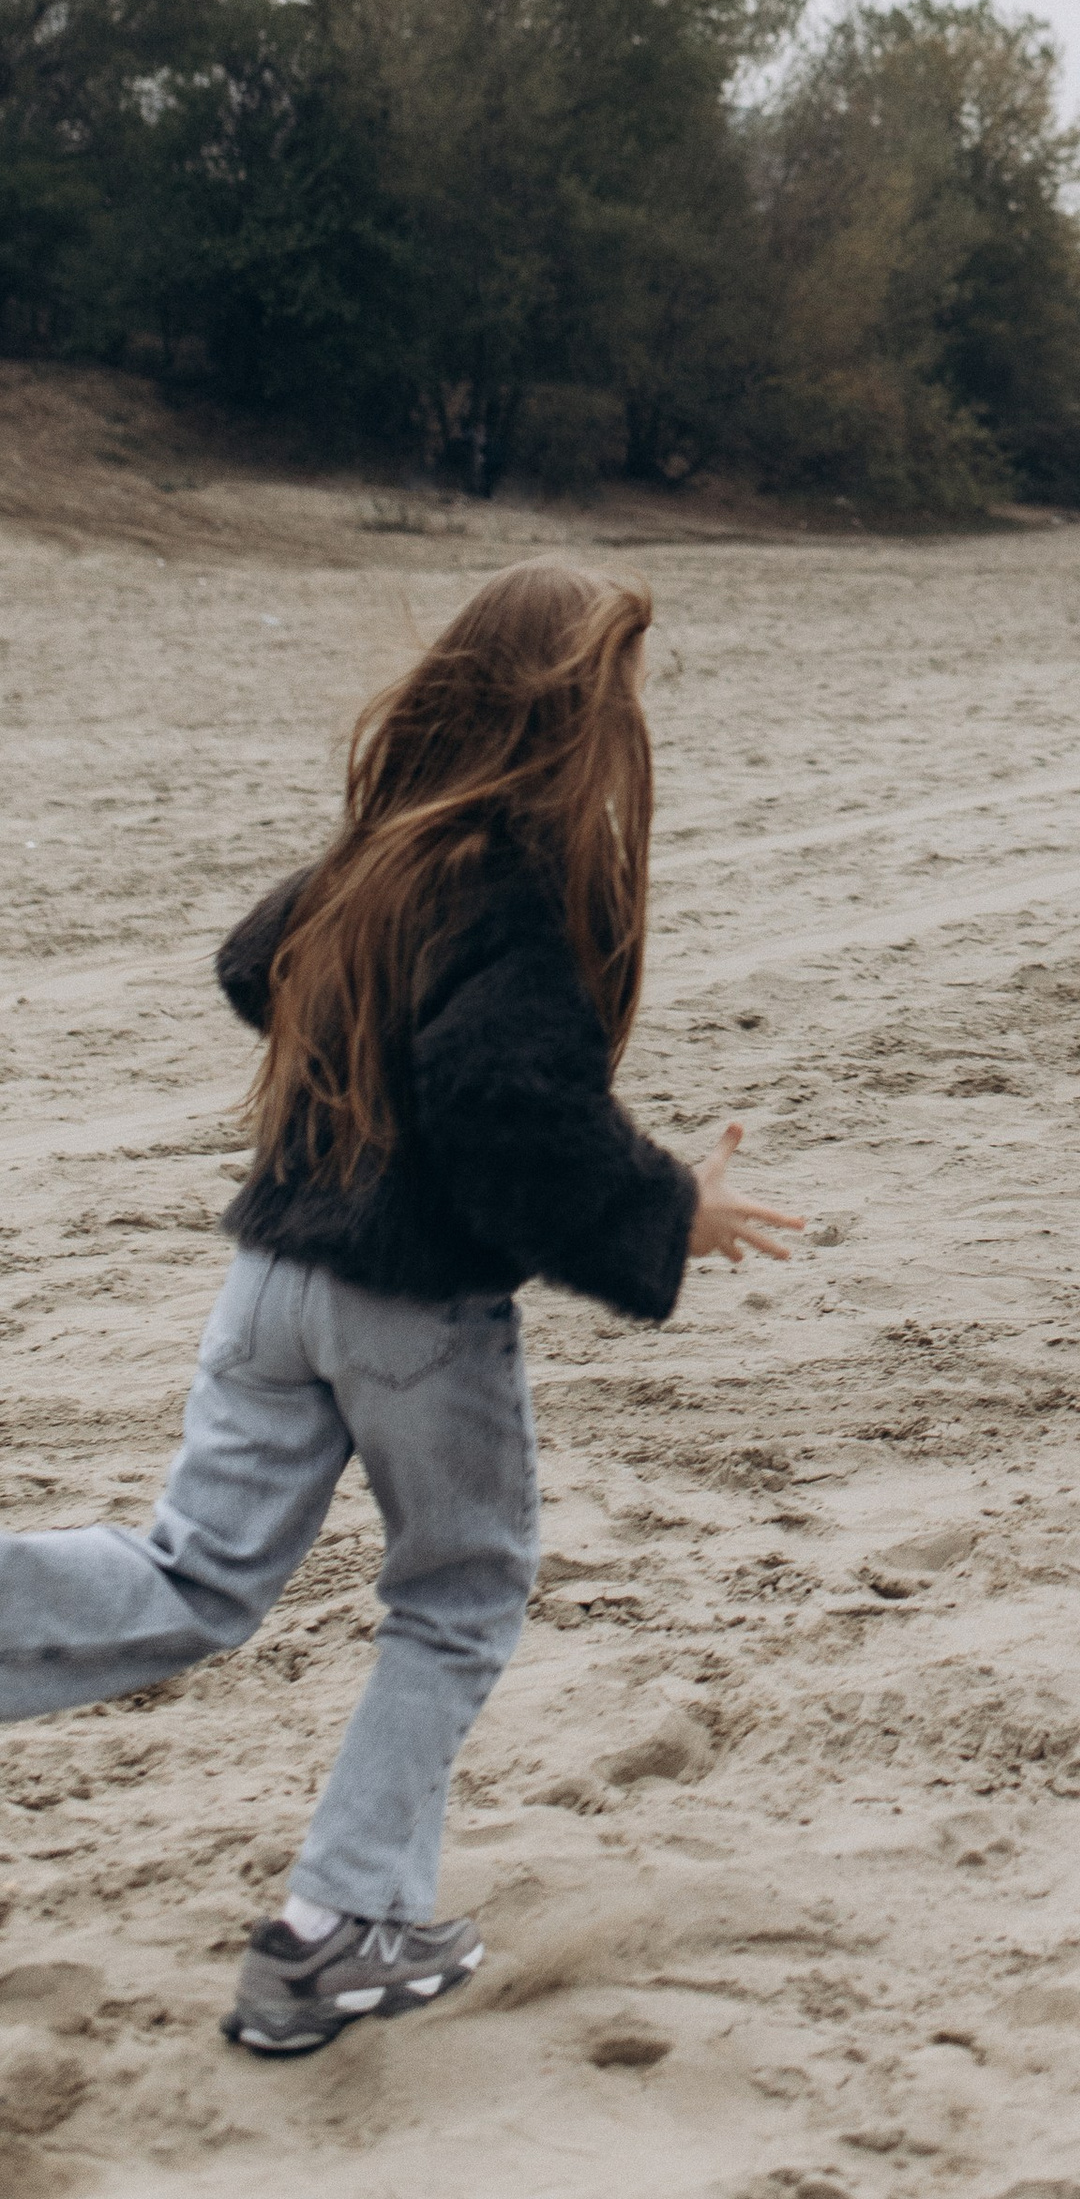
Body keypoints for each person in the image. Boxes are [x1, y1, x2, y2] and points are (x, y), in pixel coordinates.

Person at [0, 560, 798, 2055]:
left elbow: (260, 961)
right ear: (569, 715)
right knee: (459, 1595)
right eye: (616, 697)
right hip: (409, 1306)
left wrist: (367, 1061)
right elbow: (508, 1107)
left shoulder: (390, 853)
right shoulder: (512, 886)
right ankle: (339, 1923)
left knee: (192, 1577)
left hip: (272, 1276)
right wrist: (667, 1203)